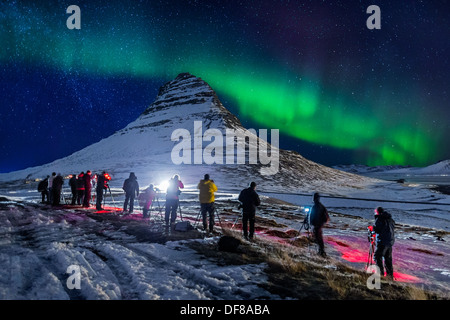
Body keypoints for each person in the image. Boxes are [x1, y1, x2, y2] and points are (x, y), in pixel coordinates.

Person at [373, 206, 395, 280]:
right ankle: (390, 276)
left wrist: (373, 229)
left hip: (383, 242)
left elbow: (378, 230)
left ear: (377, 212)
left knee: (377, 256)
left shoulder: (380, 219)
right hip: (390, 242)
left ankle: (380, 275)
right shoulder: (390, 219)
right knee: (388, 259)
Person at [309, 192, 330, 257]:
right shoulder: (321, 206)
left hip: (317, 225)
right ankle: (321, 251)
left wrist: (312, 223)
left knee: (319, 238)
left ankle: (322, 252)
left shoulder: (316, 207)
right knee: (319, 238)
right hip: (319, 225)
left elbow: (313, 216)